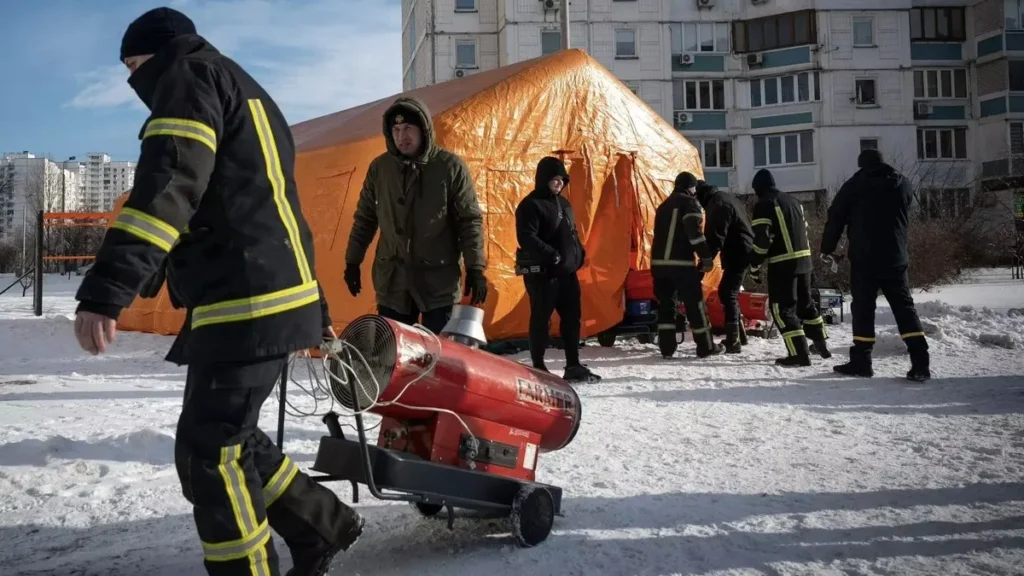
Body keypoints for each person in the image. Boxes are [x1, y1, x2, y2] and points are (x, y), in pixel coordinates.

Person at [72, 8, 362, 576]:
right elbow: (268, 208)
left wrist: (108, 289)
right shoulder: (248, 90)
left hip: (245, 303)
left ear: (156, 53)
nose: (136, 83)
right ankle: (322, 525)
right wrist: (316, 306)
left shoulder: (188, 79)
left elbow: (169, 188)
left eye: (135, 68)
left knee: (211, 451)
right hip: (269, 297)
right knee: (233, 434)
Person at [344, 97, 487, 335]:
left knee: (438, 357)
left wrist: (476, 268)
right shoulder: (380, 169)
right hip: (393, 281)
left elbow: (468, 221)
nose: (402, 136)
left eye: (409, 128)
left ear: (424, 129)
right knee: (394, 356)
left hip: (437, 280)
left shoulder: (450, 167)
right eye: (396, 130)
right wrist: (352, 261)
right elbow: (365, 219)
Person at [821, 149, 931, 382]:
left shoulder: (856, 185)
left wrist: (827, 248)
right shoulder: (903, 183)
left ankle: (862, 361)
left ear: (863, 166)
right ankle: (920, 362)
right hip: (896, 258)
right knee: (904, 308)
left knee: (863, 309)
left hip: (865, 259)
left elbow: (836, 216)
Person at [514, 156, 601, 383]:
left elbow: (571, 232)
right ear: (544, 179)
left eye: (562, 179)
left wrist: (579, 254)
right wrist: (551, 254)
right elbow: (526, 237)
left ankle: (573, 365)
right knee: (541, 319)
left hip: (567, 273)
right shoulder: (530, 205)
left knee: (572, 319)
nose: (559, 183)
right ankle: (538, 366)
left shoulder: (564, 204)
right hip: (543, 274)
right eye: (555, 179)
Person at [748, 169, 830, 367]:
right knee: (806, 304)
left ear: (758, 189)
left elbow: (762, 240)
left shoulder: (764, 204)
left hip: (783, 264)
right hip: (805, 261)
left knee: (782, 310)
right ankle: (820, 345)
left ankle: (799, 354)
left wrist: (755, 265)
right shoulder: (794, 202)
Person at [650, 172, 725, 359]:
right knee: (695, 305)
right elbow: (695, 234)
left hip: (659, 265)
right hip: (682, 264)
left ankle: (666, 348)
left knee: (666, 305)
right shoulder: (690, 203)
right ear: (690, 187)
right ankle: (706, 347)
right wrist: (706, 257)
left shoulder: (663, 206)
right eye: (695, 188)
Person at [696, 179, 754, 353]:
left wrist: (703, 265)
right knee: (729, 292)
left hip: (738, 251)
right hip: (741, 249)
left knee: (727, 293)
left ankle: (733, 341)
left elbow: (715, 238)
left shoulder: (717, 204)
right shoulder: (725, 198)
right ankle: (739, 337)